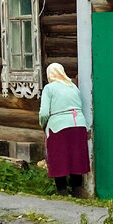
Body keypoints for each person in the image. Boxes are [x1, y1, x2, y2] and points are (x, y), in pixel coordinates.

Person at [38, 62, 90, 196]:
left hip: (59, 127)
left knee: (59, 157)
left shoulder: (49, 88)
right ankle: (78, 190)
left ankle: (62, 191)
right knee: (76, 157)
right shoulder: (73, 87)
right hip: (78, 125)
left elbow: (44, 112)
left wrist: (42, 124)